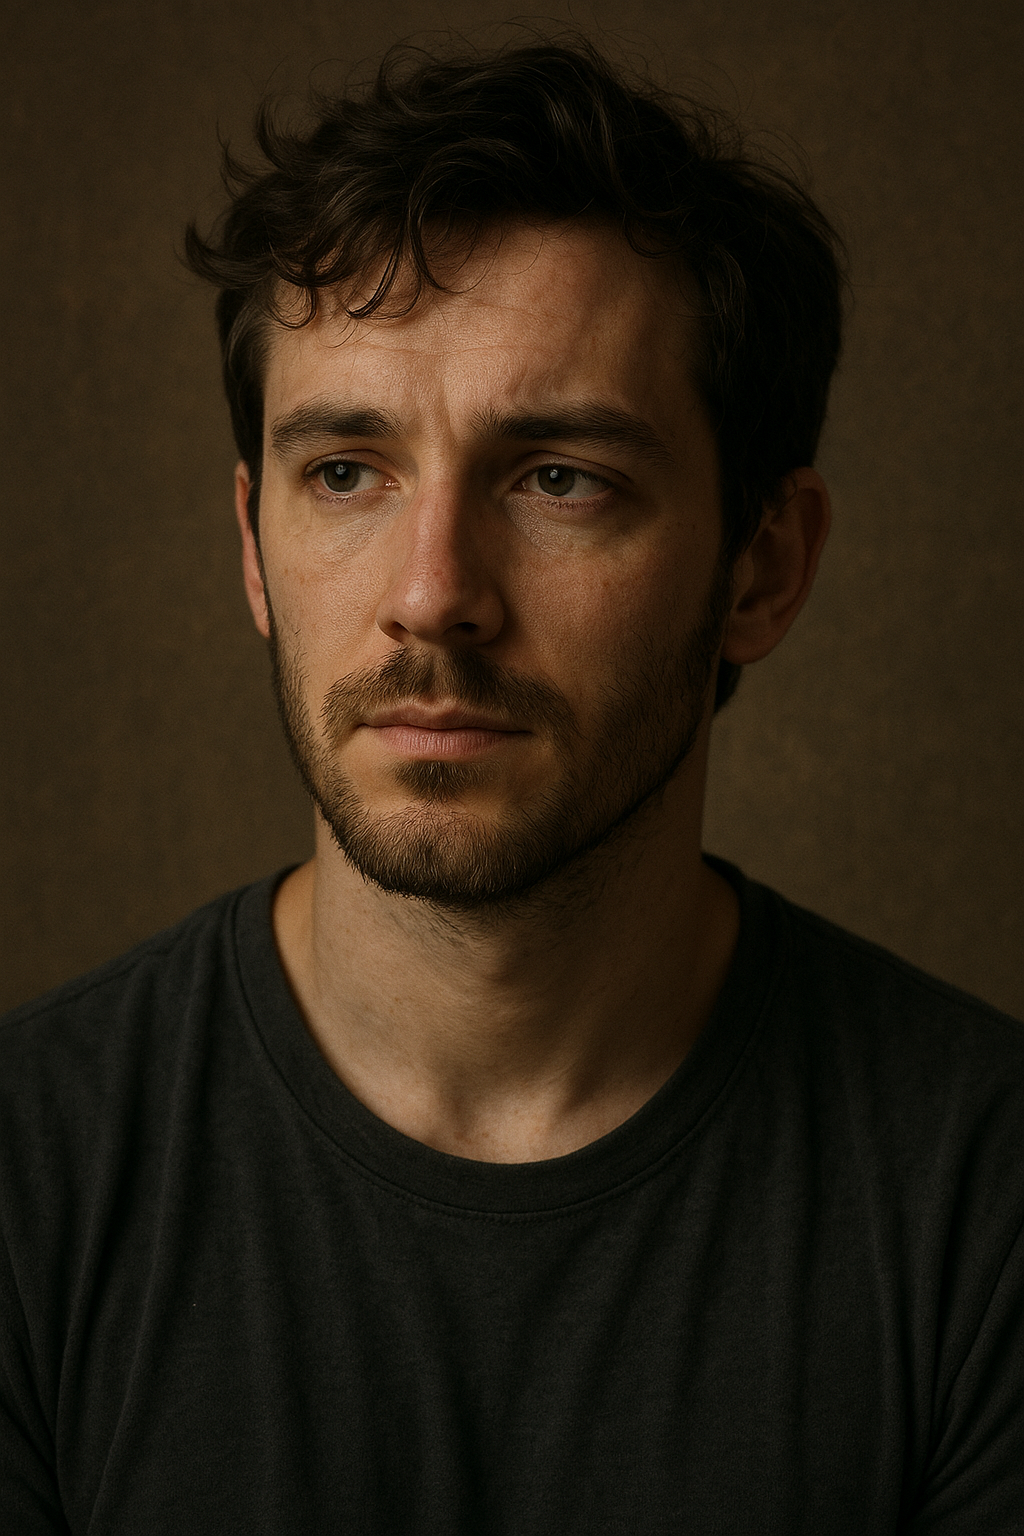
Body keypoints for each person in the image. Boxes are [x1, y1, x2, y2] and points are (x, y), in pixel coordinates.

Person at [2, 38, 1022, 1535]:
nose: (433, 596)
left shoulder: (986, 1208)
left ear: (764, 566)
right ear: (251, 546)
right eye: (346, 470)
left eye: (560, 478)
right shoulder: (31, 1184)